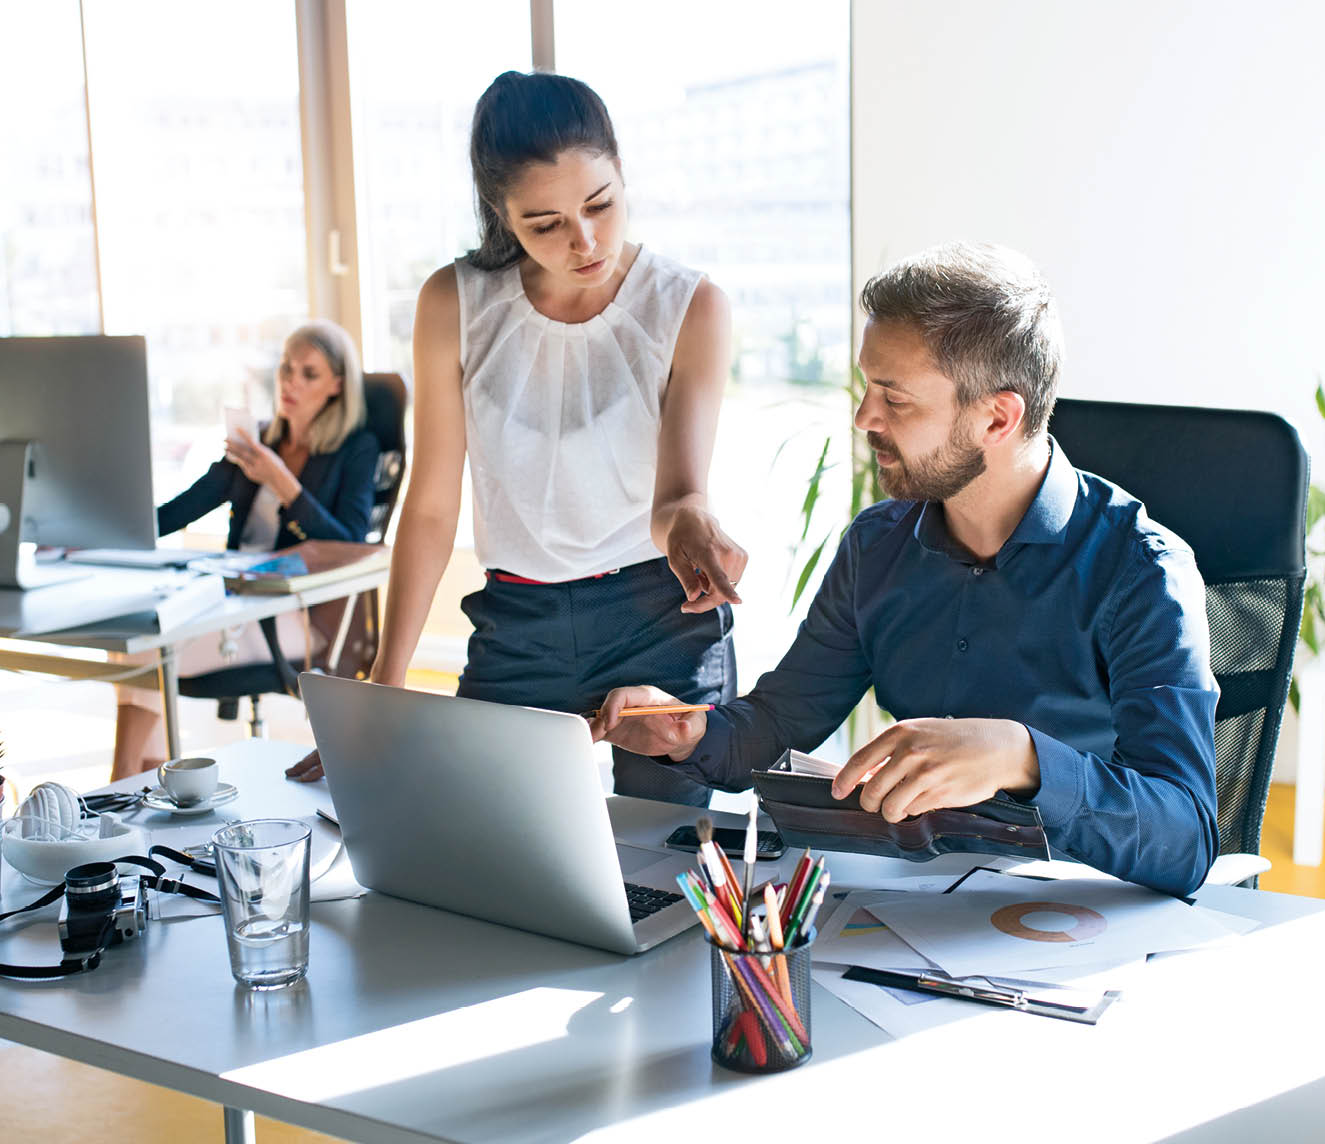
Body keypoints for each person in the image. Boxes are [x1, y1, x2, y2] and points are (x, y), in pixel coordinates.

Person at [591, 242, 1219, 897]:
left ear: (997, 418)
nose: (865, 417)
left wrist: (1021, 756)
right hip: (907, 906)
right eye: (868, 387)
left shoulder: (1141, 571)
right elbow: (777, 725)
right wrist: (692, 733)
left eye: (896, 398)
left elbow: (1187, 836)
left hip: (1072, 916)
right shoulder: (877, 548)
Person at [286, 71, 746, 804]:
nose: (585, 239)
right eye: (545, 223)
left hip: (659, 618)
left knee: (668, 870)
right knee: (484, 851)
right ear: (500, 214)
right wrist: (384, 686)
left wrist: (694, 526)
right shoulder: (456, 302)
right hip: (517, 624)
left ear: (621, 169)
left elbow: (677, 495)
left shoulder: (689, 304)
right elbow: (432, 509)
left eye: (600, 204)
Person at [111, 320, 378, 780]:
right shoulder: (258, 441)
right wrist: (103, 531)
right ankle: (144, 776)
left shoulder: (356, 449)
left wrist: (281, 481)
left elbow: (348, 543)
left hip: (296, 612)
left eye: (308, 373)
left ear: (337, 385)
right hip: (235, 598)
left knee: (145, 646)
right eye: (286, 368)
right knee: (135, 635)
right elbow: (179, 511)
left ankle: (124, 779)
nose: (290, 381)